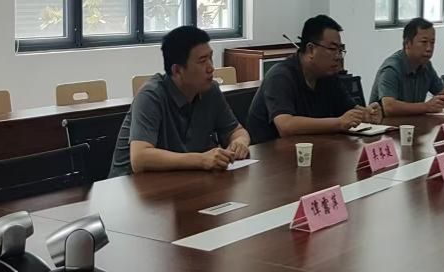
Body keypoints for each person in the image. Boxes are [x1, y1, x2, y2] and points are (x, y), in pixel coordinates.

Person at [109, 26, 250, 177]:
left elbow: (236, 131)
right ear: (177, 70)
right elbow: (140, 159)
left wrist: (240, 142)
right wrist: (202, 160)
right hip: (132, 186)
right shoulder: (151, 95)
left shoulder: (210, 90)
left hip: (180, 180)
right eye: (202, 61)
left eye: (210, 58)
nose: (211, 68)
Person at [246, 15, 380, 143]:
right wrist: (339, 123)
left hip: (312, 147)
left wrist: (366, 114)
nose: (338, 56)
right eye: (332, 49)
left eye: (340, 50)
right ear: (311, 49)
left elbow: (348, 110)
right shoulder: (280, 76)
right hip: (270, 153)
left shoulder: (328, 75)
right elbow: (285, 125)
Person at [369, 18, 444, 116]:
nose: (429, 48)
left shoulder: (426, 65)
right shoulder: (391, 69)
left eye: (432, 43)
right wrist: (426, 107)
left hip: (413, 122)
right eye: (424, 42)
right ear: (408, 43)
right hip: (387, 124)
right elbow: (389, 107)